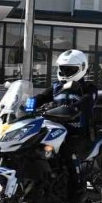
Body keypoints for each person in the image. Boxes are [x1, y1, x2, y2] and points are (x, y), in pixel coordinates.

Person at [34, 50, 98, 190]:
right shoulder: (56, 87)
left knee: (68, 152)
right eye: (62, 69)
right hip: (55, 131)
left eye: (69, 70)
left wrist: (73, 108)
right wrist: (27, 104)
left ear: (82, 68)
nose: (65, 73)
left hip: (77, 134)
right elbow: (42, 97)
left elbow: (86, 103)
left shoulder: (88, 88)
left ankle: (77, 190)